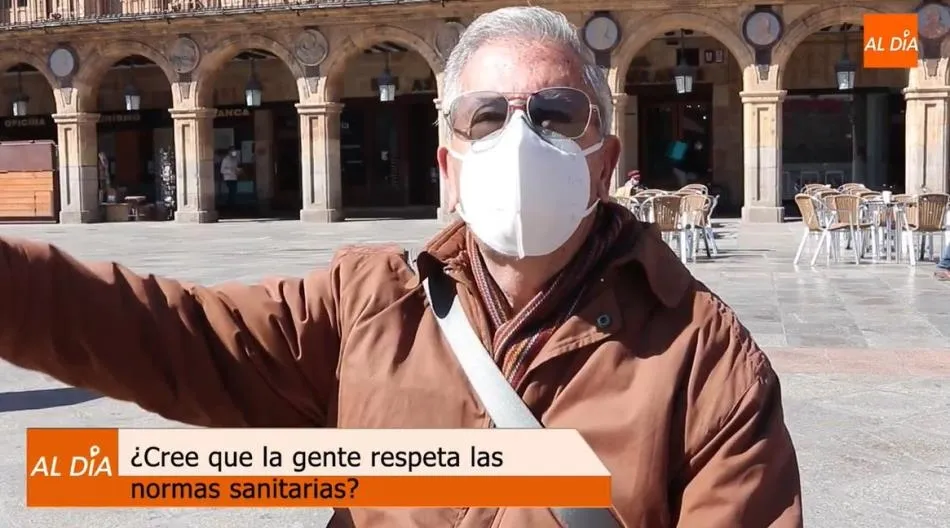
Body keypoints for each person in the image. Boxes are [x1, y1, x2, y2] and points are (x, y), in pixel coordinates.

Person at [0, 7, 801, 527]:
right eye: (486, 118)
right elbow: (167, 333)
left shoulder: (703, 360)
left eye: (556, 115)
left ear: (604, 161)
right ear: (449, 166)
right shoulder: (365, 308)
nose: (519, 142)